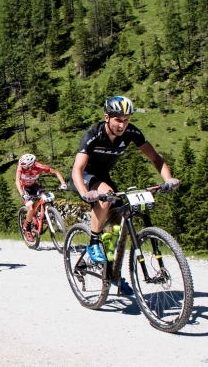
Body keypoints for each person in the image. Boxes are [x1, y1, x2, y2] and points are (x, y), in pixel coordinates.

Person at [70, 96, 180, 294]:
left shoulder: (131, 133)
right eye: (118, 120)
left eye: (126, 120)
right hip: (85, 177)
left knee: (121, 219)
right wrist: (86, 193)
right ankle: (94, 242)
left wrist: (168, 179)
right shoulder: (93, 135)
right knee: (107, 198)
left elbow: (156, 158)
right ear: (107, 117)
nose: (122, 125)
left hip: (103, 177)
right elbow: (77, 168)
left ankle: (112, 270)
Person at [15, 153, 67, 241]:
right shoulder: (20, 167)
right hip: (24, 188)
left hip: (34, 186)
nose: (23, 169)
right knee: (31, 208)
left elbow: (56, 172)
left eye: (26, 167)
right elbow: (17, 182)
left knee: (46, 198)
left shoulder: (39, 166)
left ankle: (46, 215)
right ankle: (27, 229)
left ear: (31, 165)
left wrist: (63, 183)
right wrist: (23, 194)